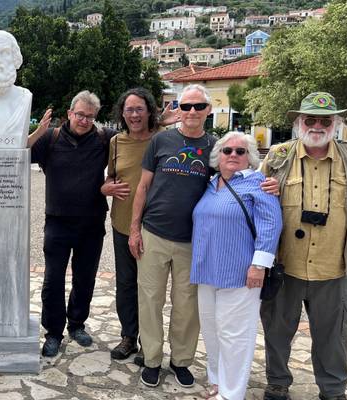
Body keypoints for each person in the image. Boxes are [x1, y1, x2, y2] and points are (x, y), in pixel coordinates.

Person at [260, 92, 347, 400]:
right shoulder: (278, 156)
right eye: (310, 119)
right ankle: (277, 383)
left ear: (336, 123)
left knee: (334, 335)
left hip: (333, 266)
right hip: (284, 265)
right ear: (299, 122)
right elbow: (256, 206)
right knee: (277, 330)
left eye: (324, 120)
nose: (317, 125)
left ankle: (332, 390)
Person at [128, 84, 218, 388]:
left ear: (208, 110)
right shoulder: (161, 141)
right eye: (186, 106)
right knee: (150, 300)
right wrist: (134, 229)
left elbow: (234, 180)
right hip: (154, 233)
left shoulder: (215, 147)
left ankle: (181, 360)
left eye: (198, 106)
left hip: (193, 240)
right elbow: (142, 187)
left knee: (186, 305)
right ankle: (152, 359)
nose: (192, 112)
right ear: (178, 109)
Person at [191, 132, 283, 400]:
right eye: (227, 150)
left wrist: (259, 266)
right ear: (218, 155)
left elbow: (271, 225)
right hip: (207, 271)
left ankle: (232, 394)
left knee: (235, 336)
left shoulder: (258, 184)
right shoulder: (210, 184)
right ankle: (218, 380)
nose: (233, 155)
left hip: (241, 273)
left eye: (240, 152)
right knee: (212, 330)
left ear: (249, 158)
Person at [27, 90, 115, 357]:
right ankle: (53, 331)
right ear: (69, 114)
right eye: (80, 114)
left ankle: (77, 324)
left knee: (84, 278)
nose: (85, 120)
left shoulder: (105, 139)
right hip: (57, 222)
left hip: (91, 222)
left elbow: (136, 139)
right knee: (53, 280)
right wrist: (37, 132)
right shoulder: (50, 138)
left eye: (90, 116)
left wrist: (158, 123)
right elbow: (18, 153)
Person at [101, 88, 178, 361]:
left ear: (149, 112)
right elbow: (111, 177)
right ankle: (128, 337)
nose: (134, 115)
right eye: (129, 110)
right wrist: (106, 189)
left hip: (154, 226)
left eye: (139, 109)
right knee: (125, 283)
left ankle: (150, 342)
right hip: (122, 222)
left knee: (151, 287)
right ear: (122, 114)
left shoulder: (164, 140)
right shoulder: (117, 143)